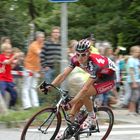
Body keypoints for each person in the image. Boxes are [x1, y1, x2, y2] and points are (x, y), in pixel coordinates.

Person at [40, 39, 116, 132]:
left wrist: (71, 103)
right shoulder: (75, 59)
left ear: (89, 53)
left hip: (108, 80)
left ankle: (92, 119)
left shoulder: (95, 64)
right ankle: (69, 130)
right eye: (78, 54)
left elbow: (85, 89)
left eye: (83, 55)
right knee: (78, 99)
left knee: (84, 93)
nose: (80, 58)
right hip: (97, 76)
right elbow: (63, 75)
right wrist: (50, 86)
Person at [21, 31, 45, 110]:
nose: (43, 38)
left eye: (43, 37)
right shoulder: (33, 45)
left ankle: (35, 105)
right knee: (26, 87)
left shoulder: (42, 44)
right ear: (37, 38)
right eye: (41, 37)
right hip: (29, 67)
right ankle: (26, 105)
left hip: (36, 69)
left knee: (33, 87)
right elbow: (40, 53)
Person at [0, 43, 22, 109]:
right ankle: (2, 109)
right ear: (4, 50)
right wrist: (14, 56)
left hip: (9, 80)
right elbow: (7, 62)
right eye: (8, 49)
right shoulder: (1, 56)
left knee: (14, 94)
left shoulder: (11, 56)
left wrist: (18, 57)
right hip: (2, 79)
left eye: (10, 48)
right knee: (2, 93)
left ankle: (10, 107)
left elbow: (13, 64)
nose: (10, 50)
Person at [126, 45, 140, 116]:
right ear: (132, 52)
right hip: (132, 80)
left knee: (136, 96)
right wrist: (134, 82)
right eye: (137, 52)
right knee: (134, 96)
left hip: (137, 80)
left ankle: (133, 111)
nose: (138, 53)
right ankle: (131, 111)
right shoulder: (131, 60)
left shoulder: (137, 60)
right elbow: (131, 71)